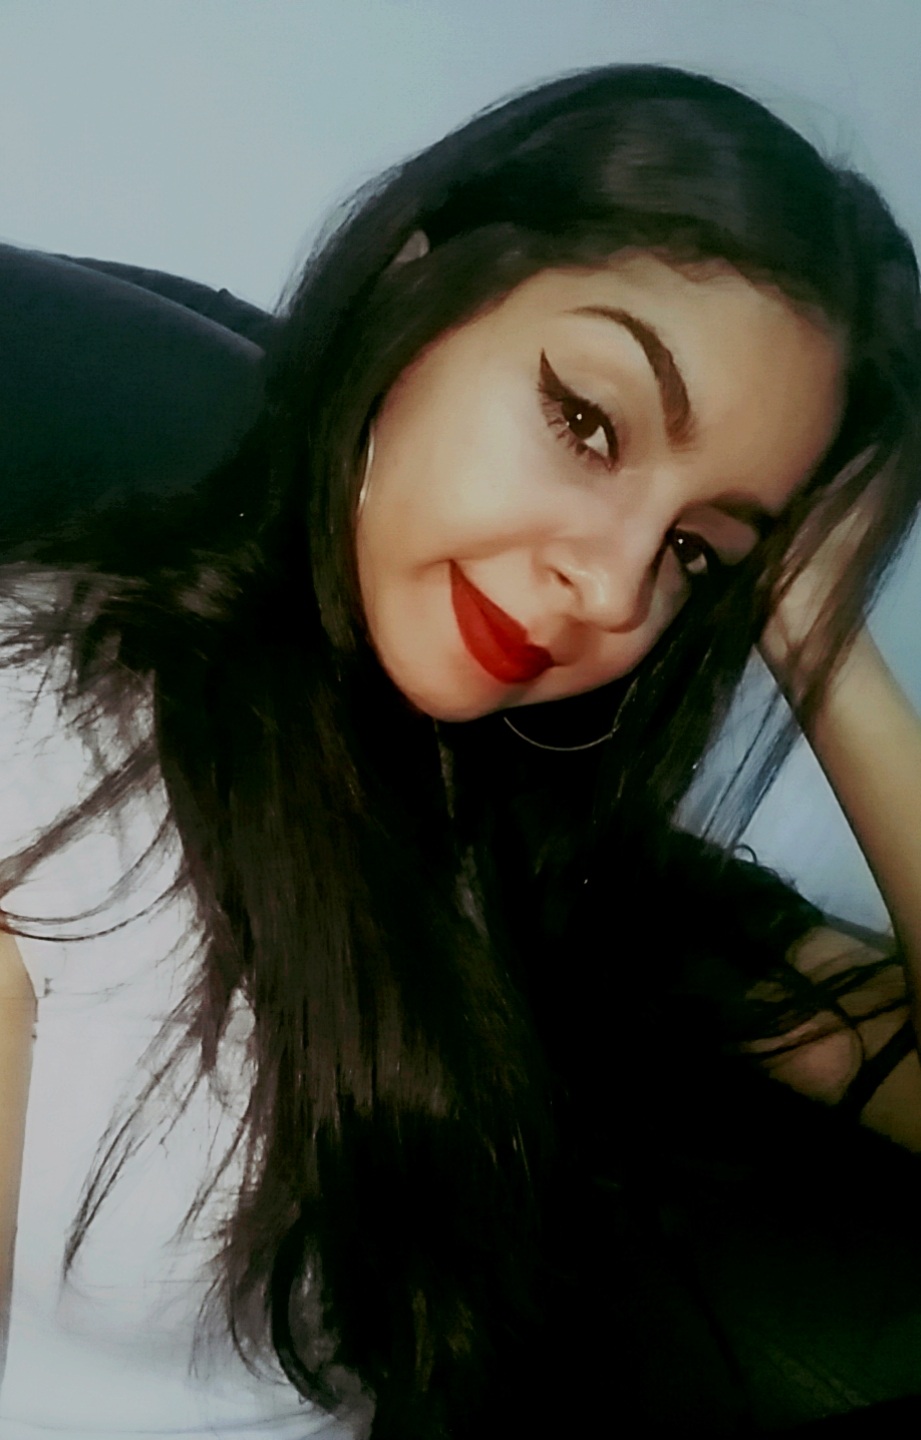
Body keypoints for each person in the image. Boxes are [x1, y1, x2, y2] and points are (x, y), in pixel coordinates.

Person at [1, 61, 921, 1438]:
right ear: (411, 296)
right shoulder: (42, 750)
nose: (611, 591)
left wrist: (819, 640)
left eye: (694, 551)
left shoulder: (533, 853)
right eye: (587, 424)